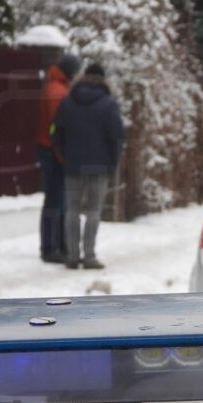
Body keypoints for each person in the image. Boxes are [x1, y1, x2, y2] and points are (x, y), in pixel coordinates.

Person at [51, 63, 125, 270]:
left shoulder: (67, 101)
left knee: (72, 211)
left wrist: (64, 156)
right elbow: (117, 137)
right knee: (93, 211)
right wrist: (112, 162)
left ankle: (72, 256)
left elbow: (56, 132)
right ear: (103, 80)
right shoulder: (108, 104)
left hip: (72, 165)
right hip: (99, 167)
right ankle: (89, 256)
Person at [36, 53, 80, 263]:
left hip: (51, 150)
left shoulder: (57, 86)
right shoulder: (57, 91)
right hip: (52, 152)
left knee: (57, 199)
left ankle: (58, 245)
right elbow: (57, 127)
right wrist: (62, 155)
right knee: (55, 200)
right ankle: (50, 248)